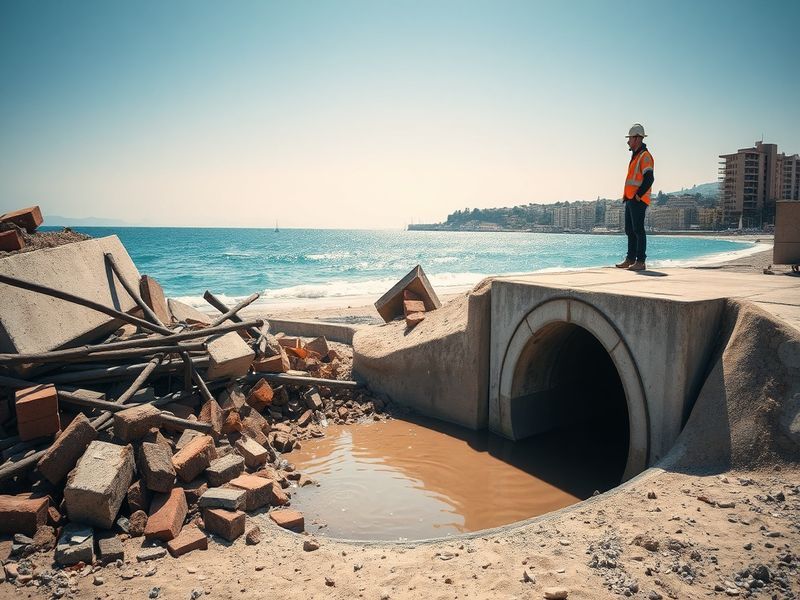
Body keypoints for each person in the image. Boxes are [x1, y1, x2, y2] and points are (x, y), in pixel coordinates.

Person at [616, 123, 654, 271]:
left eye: (630, 138)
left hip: (638, 199)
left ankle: (640, 261)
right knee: (629, 230)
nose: (628, 141)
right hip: (630, 198)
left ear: (637, 138)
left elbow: (649, 178)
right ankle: (630, 259)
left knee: (638, 230)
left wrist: (638, 195)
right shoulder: (636, 156)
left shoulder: (644, 156)